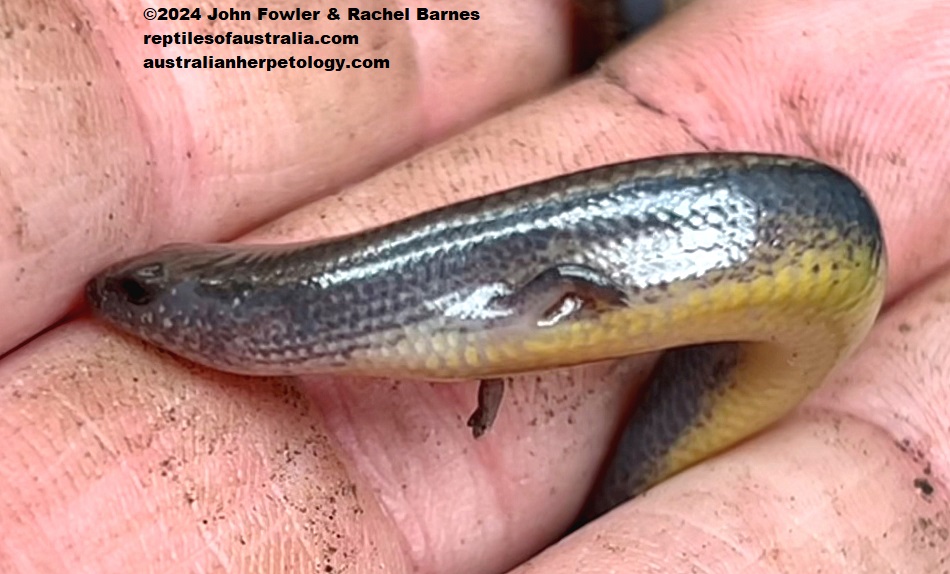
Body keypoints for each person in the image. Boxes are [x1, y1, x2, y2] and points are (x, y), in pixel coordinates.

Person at [1, 0, 947, 571]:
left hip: (808, 232)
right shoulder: (375, 317)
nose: (117, 299)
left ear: (232, 306)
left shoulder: (345, 304)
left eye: (146, 293)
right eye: (140, 291)